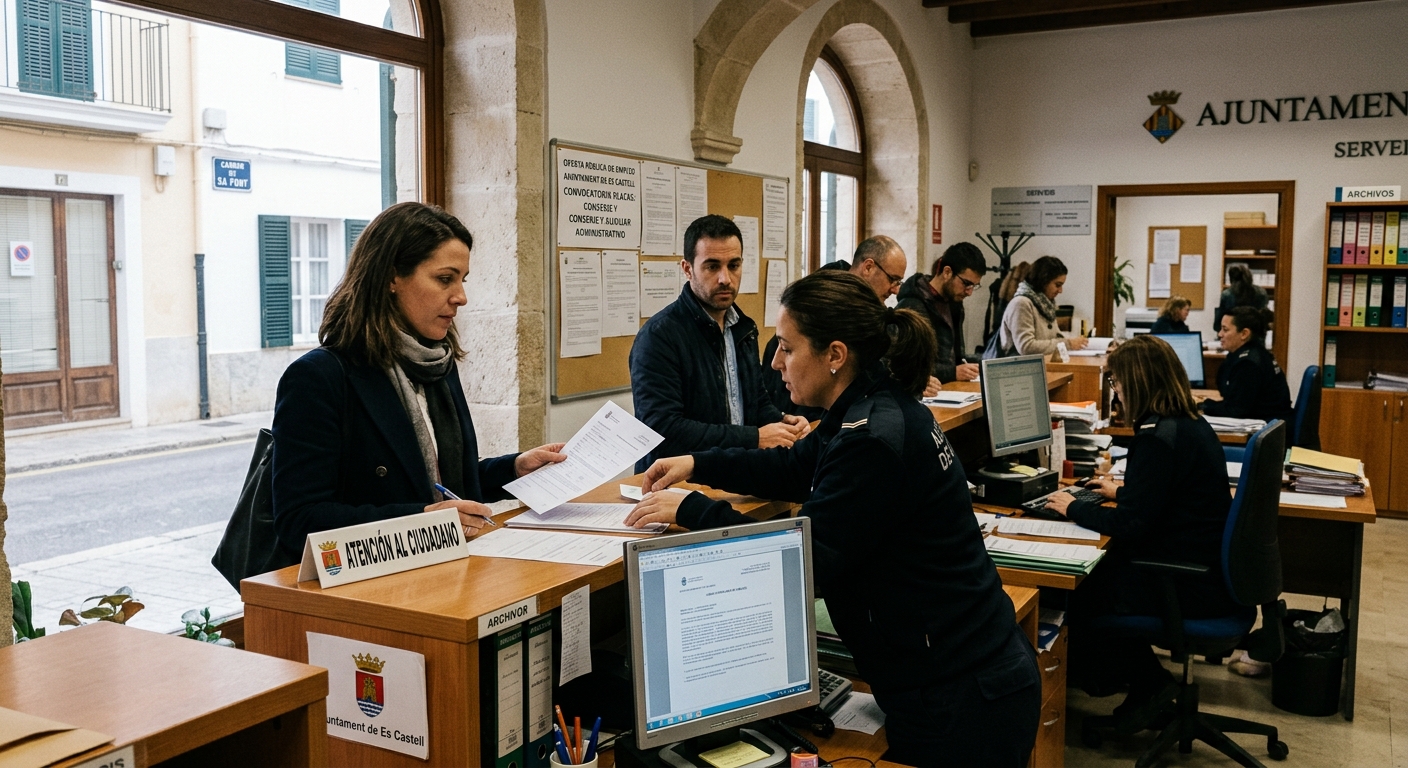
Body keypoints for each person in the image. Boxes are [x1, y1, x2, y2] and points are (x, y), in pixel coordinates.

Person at [625, 271, 1041, 767]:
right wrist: (698, 464)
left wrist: (692, 509)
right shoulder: (866, 406)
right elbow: (792, 467)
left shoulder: (871, 438)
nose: (775, 363)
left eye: (787, 348)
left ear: (835, 355)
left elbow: (804, 559)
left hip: (963, 695)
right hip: (953, 674)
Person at [270, 202, 567, 559]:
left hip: (447, 566)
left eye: (462, 280)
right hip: (368, 582)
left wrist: (514, 468)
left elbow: (441, 481)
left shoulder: (436, 363)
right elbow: (299, 519)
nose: (461, 297)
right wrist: (422, 520)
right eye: (445, 279)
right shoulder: (319, 377)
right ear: (391, 277)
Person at [1043, 334, 1236, 729]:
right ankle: (1142, 682)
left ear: (1135, 383)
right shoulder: (1187, 423)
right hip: (1204, 568)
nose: (1115, 393)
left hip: (1184, 582)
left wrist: (1073, 506)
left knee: (1078, 590)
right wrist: (1123, 491)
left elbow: (1130, 524)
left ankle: (1142, 682)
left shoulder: (1156, 438)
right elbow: (1168, 496)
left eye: (1115, 382)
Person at [630, 214, 809, 471]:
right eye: (712, 267)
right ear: (687, 269)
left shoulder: (743, 328)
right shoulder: (659, 337)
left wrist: (782, 422)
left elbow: (755, 403)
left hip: (732, 471)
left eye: (733, 265)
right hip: (676, 482)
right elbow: (662, 430)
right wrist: (754, 438)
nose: (725, 278)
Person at [762, 236, 940, 416]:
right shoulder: (820, 308)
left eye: (898, 282)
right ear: (868, 267)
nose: (896, 290)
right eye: (892, 279)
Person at [897, 242, 987, 383]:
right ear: (947, 272)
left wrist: (983, 363)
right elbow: (905, 366)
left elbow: (955, 357)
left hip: (949, 390)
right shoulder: (912, 305)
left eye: (974, 286)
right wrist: (953, 372)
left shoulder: (955, 303)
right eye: (966, 283)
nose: (969, 292)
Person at [1202, 307, 1292, 423]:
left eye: (1225, 330)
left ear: (1244, 334)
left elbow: (1236, 410)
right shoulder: (1254, 353)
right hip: (1271, 421)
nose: (1220, 334)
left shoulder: (1248, 364)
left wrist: (1204, 406)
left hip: (1268, 426)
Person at [997, 255, 1089, 356]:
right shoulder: (1021, 303)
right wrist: (1068, 344)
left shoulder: (1046, 305)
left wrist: (1073, 342)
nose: (1060, 290)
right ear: (1043, 281)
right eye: (1057, 285)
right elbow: (1026, 347)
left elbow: (1053, 338)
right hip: (1020, 365)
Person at [1214, 264, 1268, 331]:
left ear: (1231, 278)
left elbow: (1217, 325)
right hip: (1255, 333)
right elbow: (1264, 320)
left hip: (1232, 333)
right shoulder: (1261, 293)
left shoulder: (1227, 295)